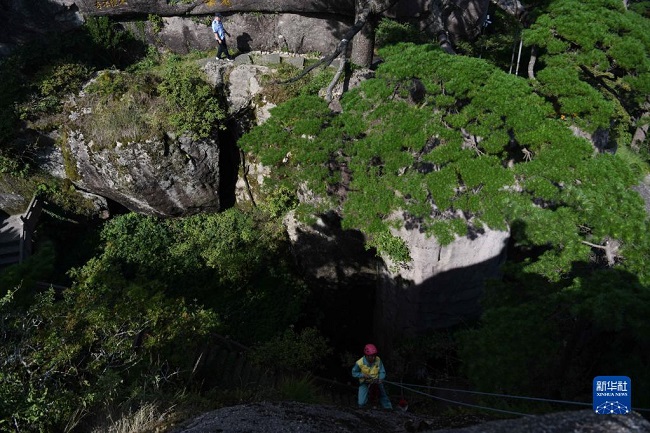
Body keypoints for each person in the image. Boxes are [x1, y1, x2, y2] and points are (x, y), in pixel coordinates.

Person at [351, 343, 392, 410]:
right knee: (361, 403)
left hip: (376, 382)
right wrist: (363, 375)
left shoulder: (378, 359)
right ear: (366, 355)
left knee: (383, 395)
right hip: (364, 383)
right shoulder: (359, 362)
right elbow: (354, 373)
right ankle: (362, 410)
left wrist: (381, 378)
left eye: (374, 355)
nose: (373, 357)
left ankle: (389, 409)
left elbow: (382, 371)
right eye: (371, 356)